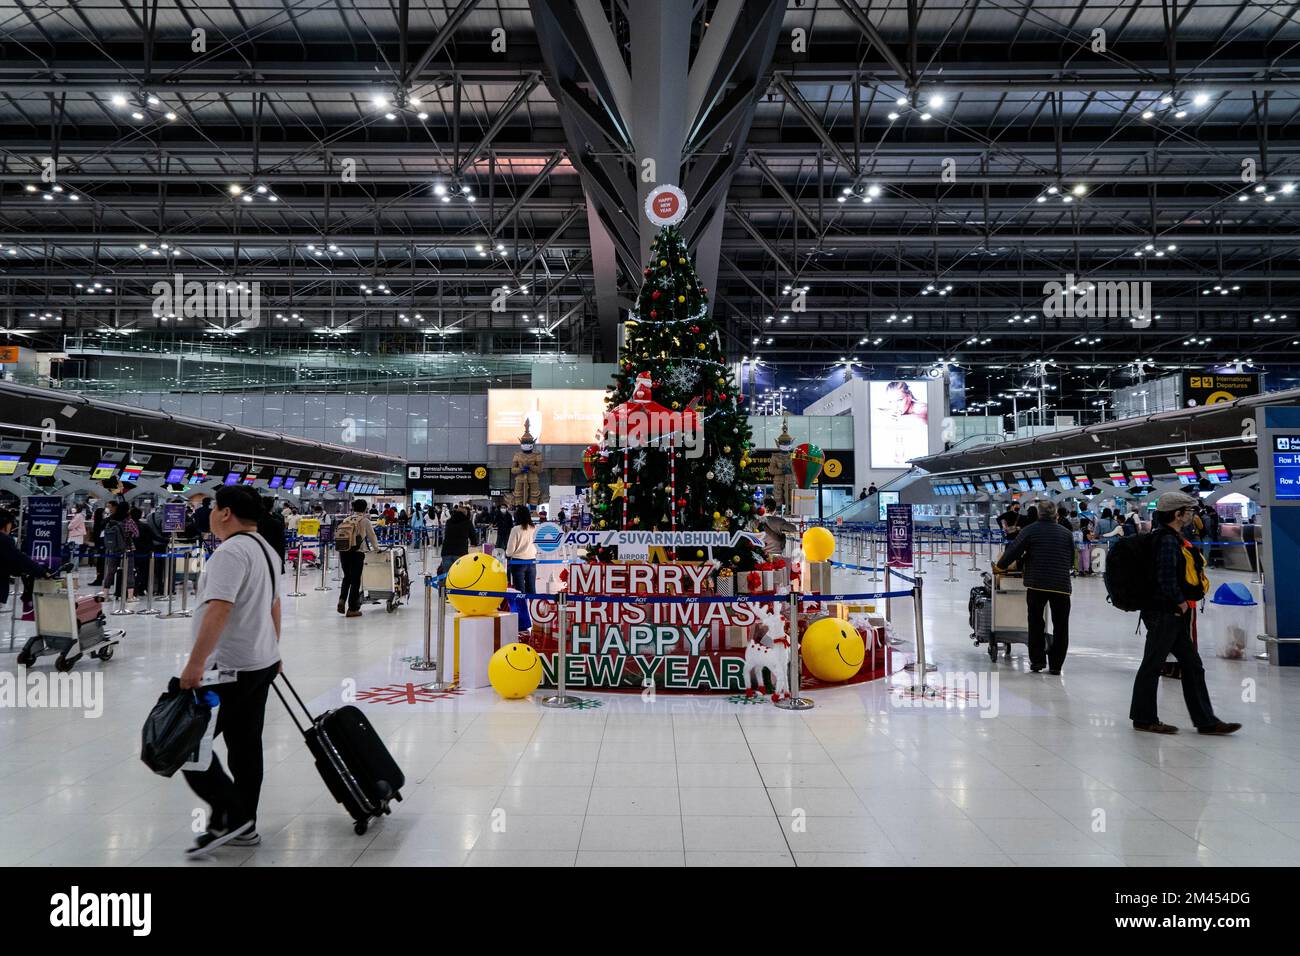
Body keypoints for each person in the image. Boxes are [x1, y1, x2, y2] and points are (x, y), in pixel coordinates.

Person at [178, 485, 283, 856]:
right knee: (245, 746)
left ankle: (231, 816)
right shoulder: (267, 549)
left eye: (213, 508)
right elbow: (273, 605)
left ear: (225, 513)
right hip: (260, 663)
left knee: (186, 743)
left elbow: (219, 609)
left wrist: (194, 664)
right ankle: (245, 825)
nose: (209, 513)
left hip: (227, 669)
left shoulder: (230, 553)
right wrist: (274, 648)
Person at [1129, 491, 1240, 736]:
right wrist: (1180, 602)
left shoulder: (1167, 537)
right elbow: (1166, 576)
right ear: (1177, 514)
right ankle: (1144, 717)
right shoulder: (1167, 540)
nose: (1191, 515)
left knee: (1192, 665)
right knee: (1153, 664)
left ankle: (1206, 720)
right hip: (1164, 612)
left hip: (1168, 613)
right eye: (1188, 511)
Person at [994, 499, 1075, 674]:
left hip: (1037, 584)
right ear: (1056, 515)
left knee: (1036, 622)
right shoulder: (1066, 533)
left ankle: (1037, 661)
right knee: (1061, 626)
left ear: (1039, 514)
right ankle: (1056, 665)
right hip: (1061, 586)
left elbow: (1013, 551)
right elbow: (1071, 560)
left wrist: (999, 567)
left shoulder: (1030, 530)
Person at [335, 499, 379, 617]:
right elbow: (372, 536)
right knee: (355, 581)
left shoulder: (346, 519)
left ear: (353, 508)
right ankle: (352, 609)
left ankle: (342, 599)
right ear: (365, 509)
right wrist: (376, 549)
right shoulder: (365, 521)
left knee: (347, 577)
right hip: (357, 552)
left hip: (344, 551)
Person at [505, 506, 537, 596]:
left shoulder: (516, 529)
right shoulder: (534, 528)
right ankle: (532, 608)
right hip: (532, 561)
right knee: (531, 589)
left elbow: (510, 550)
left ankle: (522, 610)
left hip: (517, 562)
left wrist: (507, 554)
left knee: (519, 591)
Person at [100, 502, 130, 597]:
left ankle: (105, 593)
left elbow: (102, 526)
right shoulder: (128, 519)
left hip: (113, 547)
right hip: (127, 547)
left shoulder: (111, 518)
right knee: (128, 571)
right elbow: (135, 532)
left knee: (111, 570)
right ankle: (129, 595)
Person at [438, 506, 478, 575]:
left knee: (447, 575)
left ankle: (446, 585)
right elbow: (473, 537)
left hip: (446, 551)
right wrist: (474, 543)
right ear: (465, 513)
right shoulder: (467, 522)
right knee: (459, 575)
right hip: (460, 552)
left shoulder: (449, 521)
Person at [257, 496, 288, 572]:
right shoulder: (277, 521)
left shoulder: (254, 521)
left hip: (258, 556)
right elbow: (281, 542)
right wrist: (282, 560)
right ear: (272, 506)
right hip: (274, 554)